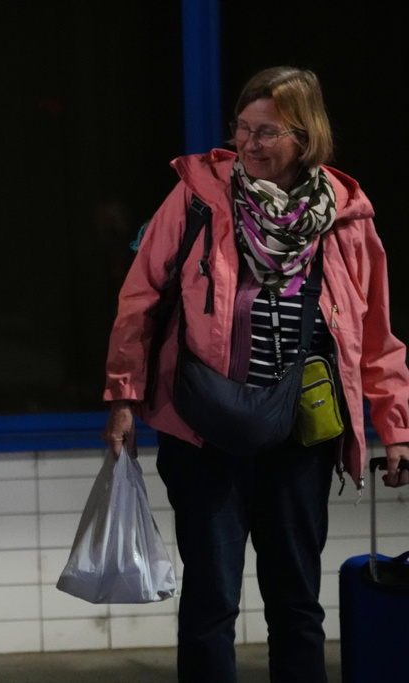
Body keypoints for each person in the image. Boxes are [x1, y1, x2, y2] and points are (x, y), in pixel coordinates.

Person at [101, 66, 409, 683]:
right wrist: (123, 399)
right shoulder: (196, 198)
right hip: (205, 429)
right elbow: (139, 301)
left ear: (305, 135)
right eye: (242, 128)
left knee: (296, 602)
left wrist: (394, 426)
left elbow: (373, 333)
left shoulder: (346, 219)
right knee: (211, 601)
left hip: (300, 433)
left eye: (266, 132)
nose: (248, 144)